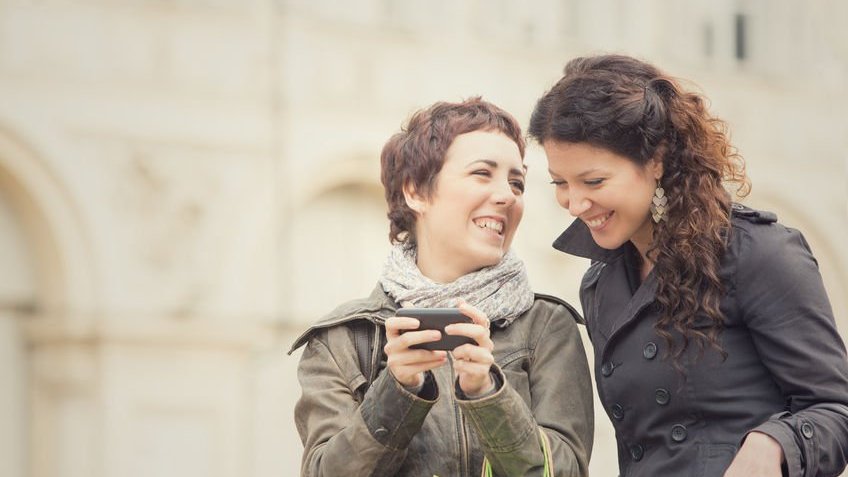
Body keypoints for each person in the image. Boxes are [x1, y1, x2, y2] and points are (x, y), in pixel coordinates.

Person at [527, 53, 848, 477]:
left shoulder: (757, 253)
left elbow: (836, 410)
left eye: (594, 182)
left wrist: (775, 443)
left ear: (655, 159)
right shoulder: (601, 280)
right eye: (560, 183)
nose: (574, 203)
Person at [290, 98, 594, 476]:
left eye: (517, 182)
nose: (507, 196)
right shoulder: (342, 340)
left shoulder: (548, 325)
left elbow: (566, 472)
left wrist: (488, 394)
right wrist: (397, 390)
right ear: (416, 190)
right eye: (483, 173)